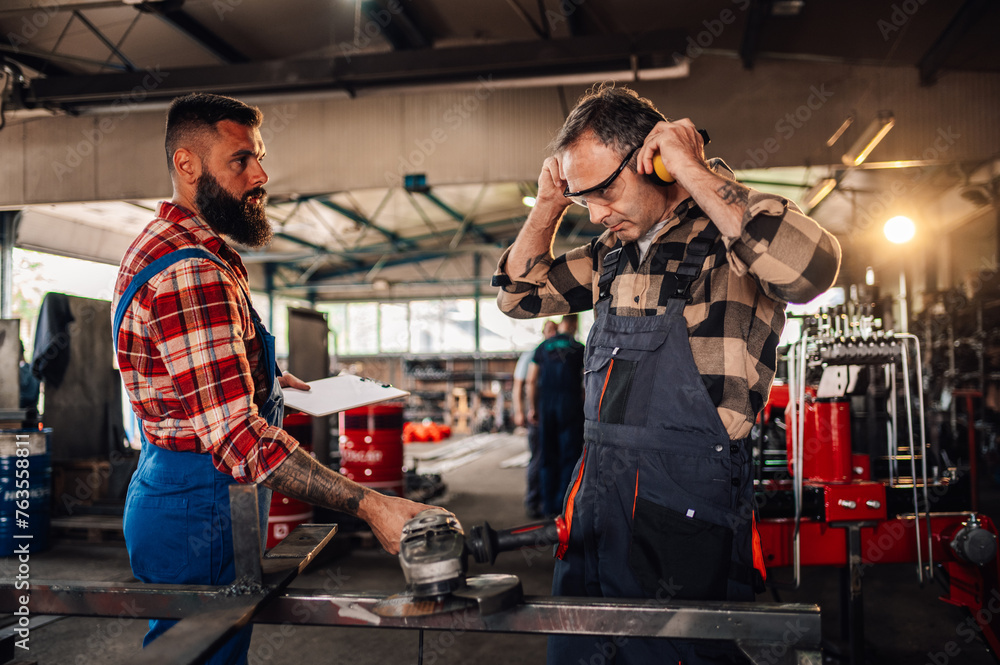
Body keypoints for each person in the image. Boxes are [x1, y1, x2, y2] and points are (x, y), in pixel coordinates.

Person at [493, 84, 841, 665]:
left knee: (676, 653)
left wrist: (692, 168)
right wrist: (550, 206)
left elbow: (812, 270)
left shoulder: (731, 237)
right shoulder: (613, 252)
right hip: (598, 489)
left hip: (685, 496)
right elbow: (517, 297)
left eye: (606, 190)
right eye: (585, 200)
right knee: (581, 646)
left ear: (654, 159)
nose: (598, 213)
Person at [112, 93, 435, 664]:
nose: (261, 174)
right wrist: (369, 505)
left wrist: (260, 376)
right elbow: (240, 442)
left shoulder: (168, 242)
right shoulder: (192, 270)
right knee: (201, 653)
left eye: (259, 157)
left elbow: (174, 370)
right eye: (241, 161)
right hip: (201, 500)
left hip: (176, 484)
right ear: (188, 165)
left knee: (193, 649)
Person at [526, 314, 585, 518]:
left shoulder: (543, 347)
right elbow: (587, 383)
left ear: (561, 323)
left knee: (547, 455)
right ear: (575, 323)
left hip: (547, 406)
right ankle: (565, 505)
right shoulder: (579, 348)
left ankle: (547, 505)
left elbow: (531, 381)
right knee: (570, 455)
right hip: (571, 406)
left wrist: (533, 408)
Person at [512, 318, 557, 518]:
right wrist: (520, 411)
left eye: (555, 330)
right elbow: (519, 386)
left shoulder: (558, 355)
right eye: (549, 330)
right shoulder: (532, 354)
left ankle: (550, 500)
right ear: (543, 332)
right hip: (537, 413)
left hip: (553, 412)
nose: (552, 333)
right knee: (538, 457)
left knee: (552, 456)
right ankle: (533, 500)